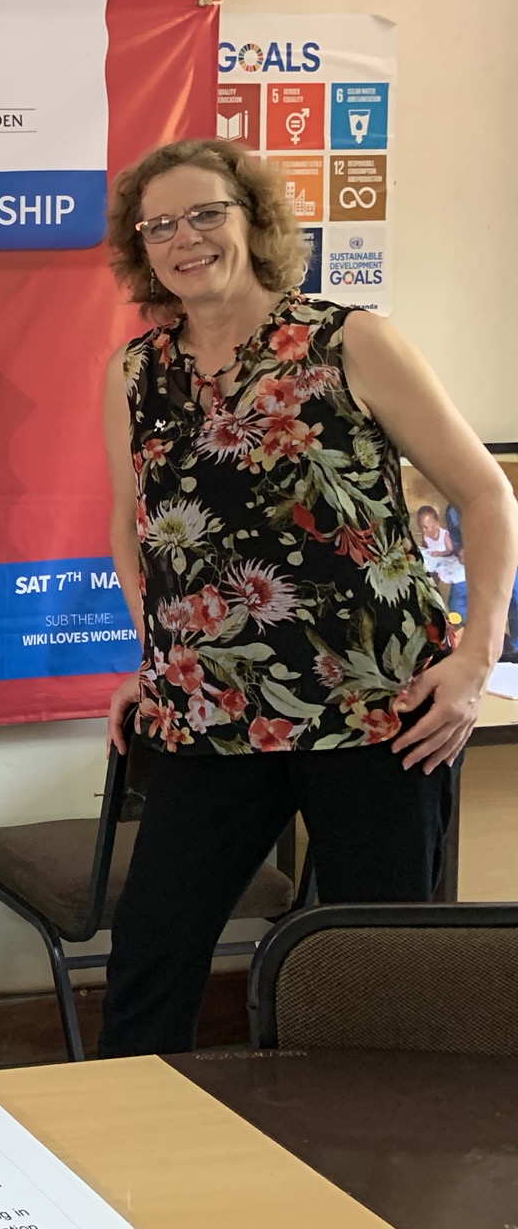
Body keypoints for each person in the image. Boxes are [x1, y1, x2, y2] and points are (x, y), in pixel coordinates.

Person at [95, 138, 516, 1058]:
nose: (184, 238)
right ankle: (120, 1168)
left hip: (380, 713)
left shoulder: (349, 340)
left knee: (380, 970)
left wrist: (475, 658)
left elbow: (486, 494)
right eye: (159, 224)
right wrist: (153, 658)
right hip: (207, 716)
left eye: (206, 213)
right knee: (150, 957)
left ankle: (380, 1173)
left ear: (252, 219)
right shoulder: (135, 374)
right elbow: (134, 527)